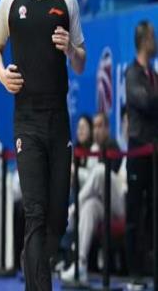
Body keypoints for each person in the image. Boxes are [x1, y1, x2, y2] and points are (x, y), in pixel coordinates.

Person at [0, 0, 86, 290]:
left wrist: (71, 48)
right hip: (26, 119)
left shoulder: (67, 0)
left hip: (58, 118)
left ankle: (35, 266)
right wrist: (2, 75)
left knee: (57, 217)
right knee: (35, 211)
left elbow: (82, 61)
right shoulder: (10, 1)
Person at [61, 112, 124, 283]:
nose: (96, 130)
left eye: (100, 126)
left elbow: (109, 178)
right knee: (89, 207)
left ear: (107, 128)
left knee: (99, 171)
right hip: (104, 204)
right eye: (95, 126)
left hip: (120, 203)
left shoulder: (112, 144)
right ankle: (80, 264)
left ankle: (73, 210)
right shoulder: (95, 149)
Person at [125, 20, 158, 288]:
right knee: (135, 212)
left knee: (153, 211)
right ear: (145, 40)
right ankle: (133, 271)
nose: (155, 41)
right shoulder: (132, 73)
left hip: (154, 153)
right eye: (153, 37)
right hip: (138, 150)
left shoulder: (153, 76)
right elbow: (145, 102)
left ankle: (151, 266)